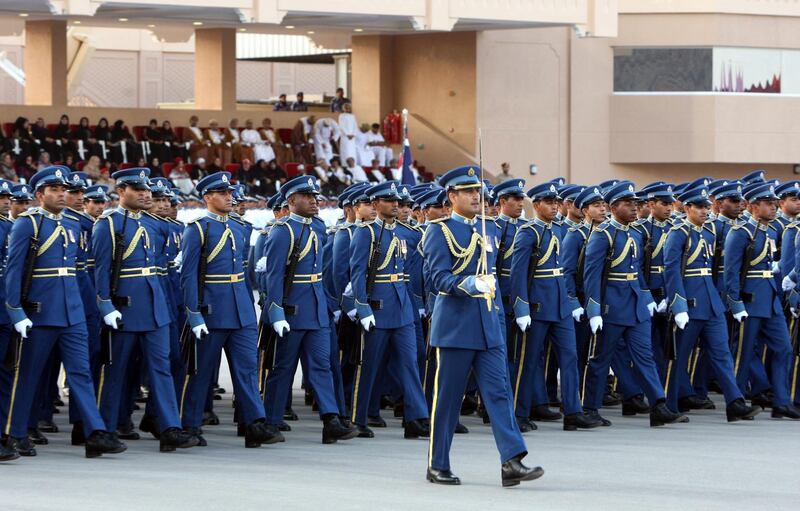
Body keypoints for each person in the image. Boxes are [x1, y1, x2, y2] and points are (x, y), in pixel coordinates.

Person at [423, 165, 543, 486]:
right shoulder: (440, 230)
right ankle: (437, 464)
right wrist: (470, 284)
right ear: (452, 196)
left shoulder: (489, 228)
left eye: (477, 191)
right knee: (447, 400)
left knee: (500, 394)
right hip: (456, 327)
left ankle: (512, 460)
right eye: (467, 192)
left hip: (488, 324)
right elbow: (437, 278)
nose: (476, 196)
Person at [3, 165, 127, 459]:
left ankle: (95, 432)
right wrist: (16, 311)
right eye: (54, 190)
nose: (61, 195)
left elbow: (75, 272)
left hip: (72, 313)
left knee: (81, 374)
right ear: (39, 194)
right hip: (40, 313)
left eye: (64, 190)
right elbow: (14, 271)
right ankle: (14, 433)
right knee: (28, 376)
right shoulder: (28, 224)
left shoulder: (73, 224)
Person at [91, 167, 200, 452]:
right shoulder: (108, 224)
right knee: (115, 372)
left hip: (155, 309)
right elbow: (101, 271)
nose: (144, 194)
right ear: (120, 192)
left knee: (162, 370)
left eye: (146, 190)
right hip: (124, 309)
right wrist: (105, 306)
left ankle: (169, 428)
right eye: (137, 189)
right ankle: (103, 429)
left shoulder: (155, 224)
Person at [178, 171, 281, 447]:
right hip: (212, 311)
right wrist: (194, 313)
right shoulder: (197, 229)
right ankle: (189, 424)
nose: (229, 197)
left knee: (247, 370)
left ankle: (254, 423)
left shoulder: (240, 227)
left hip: (241, 311)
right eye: (222, 193)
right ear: (207, 197)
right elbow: (188, 276)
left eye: (230, 193)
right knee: (200, 372)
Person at [582, 181, 688, 427]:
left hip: (635, 304)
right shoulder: (603, 235)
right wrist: (594, 310)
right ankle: (590, 408)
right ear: (613, 207)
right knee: (601, 359)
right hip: (611, 306)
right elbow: (592, 276)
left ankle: (658, 405)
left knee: (645, 356)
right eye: (628, 204)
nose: (633, 208)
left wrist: (647, 297)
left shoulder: (637, 233)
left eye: (635, 204)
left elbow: (638, 271)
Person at [261, 174, 357, 443]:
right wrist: (276, 311)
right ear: (292, 201)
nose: (315, 201)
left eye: (316, 196)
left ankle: (331, 420)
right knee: (283, 368)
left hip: (315, 309)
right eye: (308, 197)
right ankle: (271, 420)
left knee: (322, 366)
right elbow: (274, 275)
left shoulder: (316, 227)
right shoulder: (282, 231)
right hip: (292, 311)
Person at [663, 185, 762, 421]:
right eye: (700, 207)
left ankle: (735, 402)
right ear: (687, 208)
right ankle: (669, 403)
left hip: (711, 303)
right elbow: (672, 271)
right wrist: (678, 304)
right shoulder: (678, 233)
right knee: (679, 356)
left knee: (722, 354)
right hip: (690, 303)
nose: (706, 211)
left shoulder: (708, 232)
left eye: (707, 206)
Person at [510, 182, 601, 432]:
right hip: (537, 307)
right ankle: (519, 413)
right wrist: (521, 308)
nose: (554, 206)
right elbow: (518, 275)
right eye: (548, 202)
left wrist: (570, 303)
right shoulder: (529, 232)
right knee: (528, 362)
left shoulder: (561, 230)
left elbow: (565, 270)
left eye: (556, 202)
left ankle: (573, 411)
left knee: (570, 359)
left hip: (560, 307)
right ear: (536, 205)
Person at [348, 181, 430, 438]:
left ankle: (416, 417)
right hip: (378, 307)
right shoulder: (366, 233)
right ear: (375, 204)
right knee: (369, 365)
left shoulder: (405, 232)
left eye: (397, 201)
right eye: (389, 200)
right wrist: (362, 307)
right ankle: (358, 417)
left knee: (411, 362)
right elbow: (358, 273)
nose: (395, 205)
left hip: (402, 306)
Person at [725, 182, 800, 418]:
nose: (774, 208)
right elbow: (731, 272)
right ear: (752, 206)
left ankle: (781, 402)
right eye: (768, 204)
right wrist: (735, 303)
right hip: (750, 300)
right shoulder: (740, 233)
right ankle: (735, 401)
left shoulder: (770, 231)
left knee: (783, 349)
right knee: (743, 354)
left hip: (770, 300)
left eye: (774, 204)